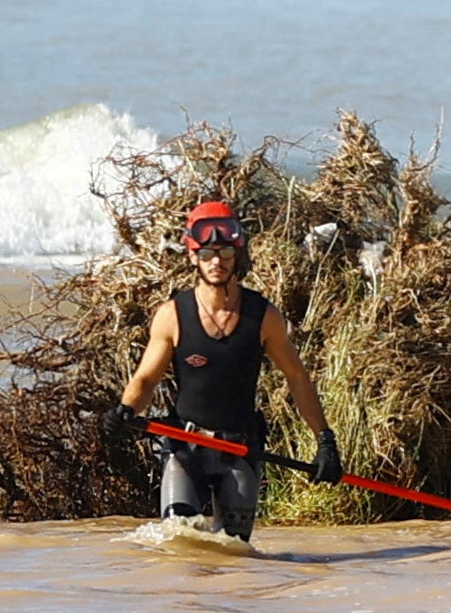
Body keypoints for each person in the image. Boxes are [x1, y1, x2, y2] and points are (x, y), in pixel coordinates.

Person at [116, 198, 337, 540]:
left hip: (242, 451)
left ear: (237, 255)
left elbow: (297, 378)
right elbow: (146, 379)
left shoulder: (263, 316)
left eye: (225, 253)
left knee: (236, 554)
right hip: (184, 448)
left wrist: (325, 441)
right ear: (193, 257)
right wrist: (126, 409)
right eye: (206, 254)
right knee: (179, 542)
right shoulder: (172, 315)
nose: (216, 261)